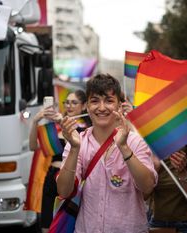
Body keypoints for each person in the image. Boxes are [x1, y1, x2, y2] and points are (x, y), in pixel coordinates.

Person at [56, 74, 157, 233]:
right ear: (87, 106)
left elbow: (147, 187)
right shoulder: (77, 142)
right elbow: (63, 191)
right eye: (95, 101)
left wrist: (124, 148)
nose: (102, 107)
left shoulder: (135, 142)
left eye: (109, 101)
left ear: (119, 106)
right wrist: (75, 149)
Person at [29, 90, 90, 233]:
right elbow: (33, 146)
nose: (69, 106)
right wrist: (35, 121)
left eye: (74, 102)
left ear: (83, 106)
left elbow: (78, 135)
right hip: (51, 178)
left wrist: (61, 120)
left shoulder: (87, 130)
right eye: (66, 102)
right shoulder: (55, 128)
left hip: (72, 180)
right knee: (46, 223)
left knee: (67, 224)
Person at [148, 136, 187, 233]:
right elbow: (144, 195)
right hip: (156, 223)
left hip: (186, 224)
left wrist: (182, 173)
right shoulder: (154, 153)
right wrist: (154, 170)